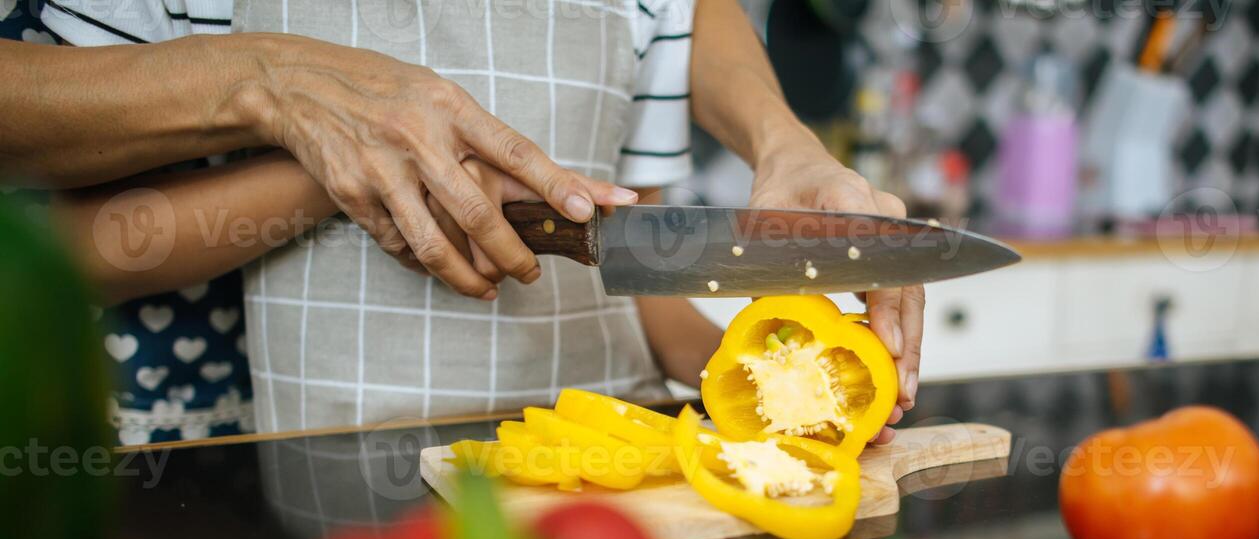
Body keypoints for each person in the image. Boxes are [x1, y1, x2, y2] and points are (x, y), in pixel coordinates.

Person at [9, 0, 925, 441]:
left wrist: (765, 383)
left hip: (604, 506)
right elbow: (73, 245)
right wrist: (334, 171)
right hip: (330, 512)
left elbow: (629, 270)